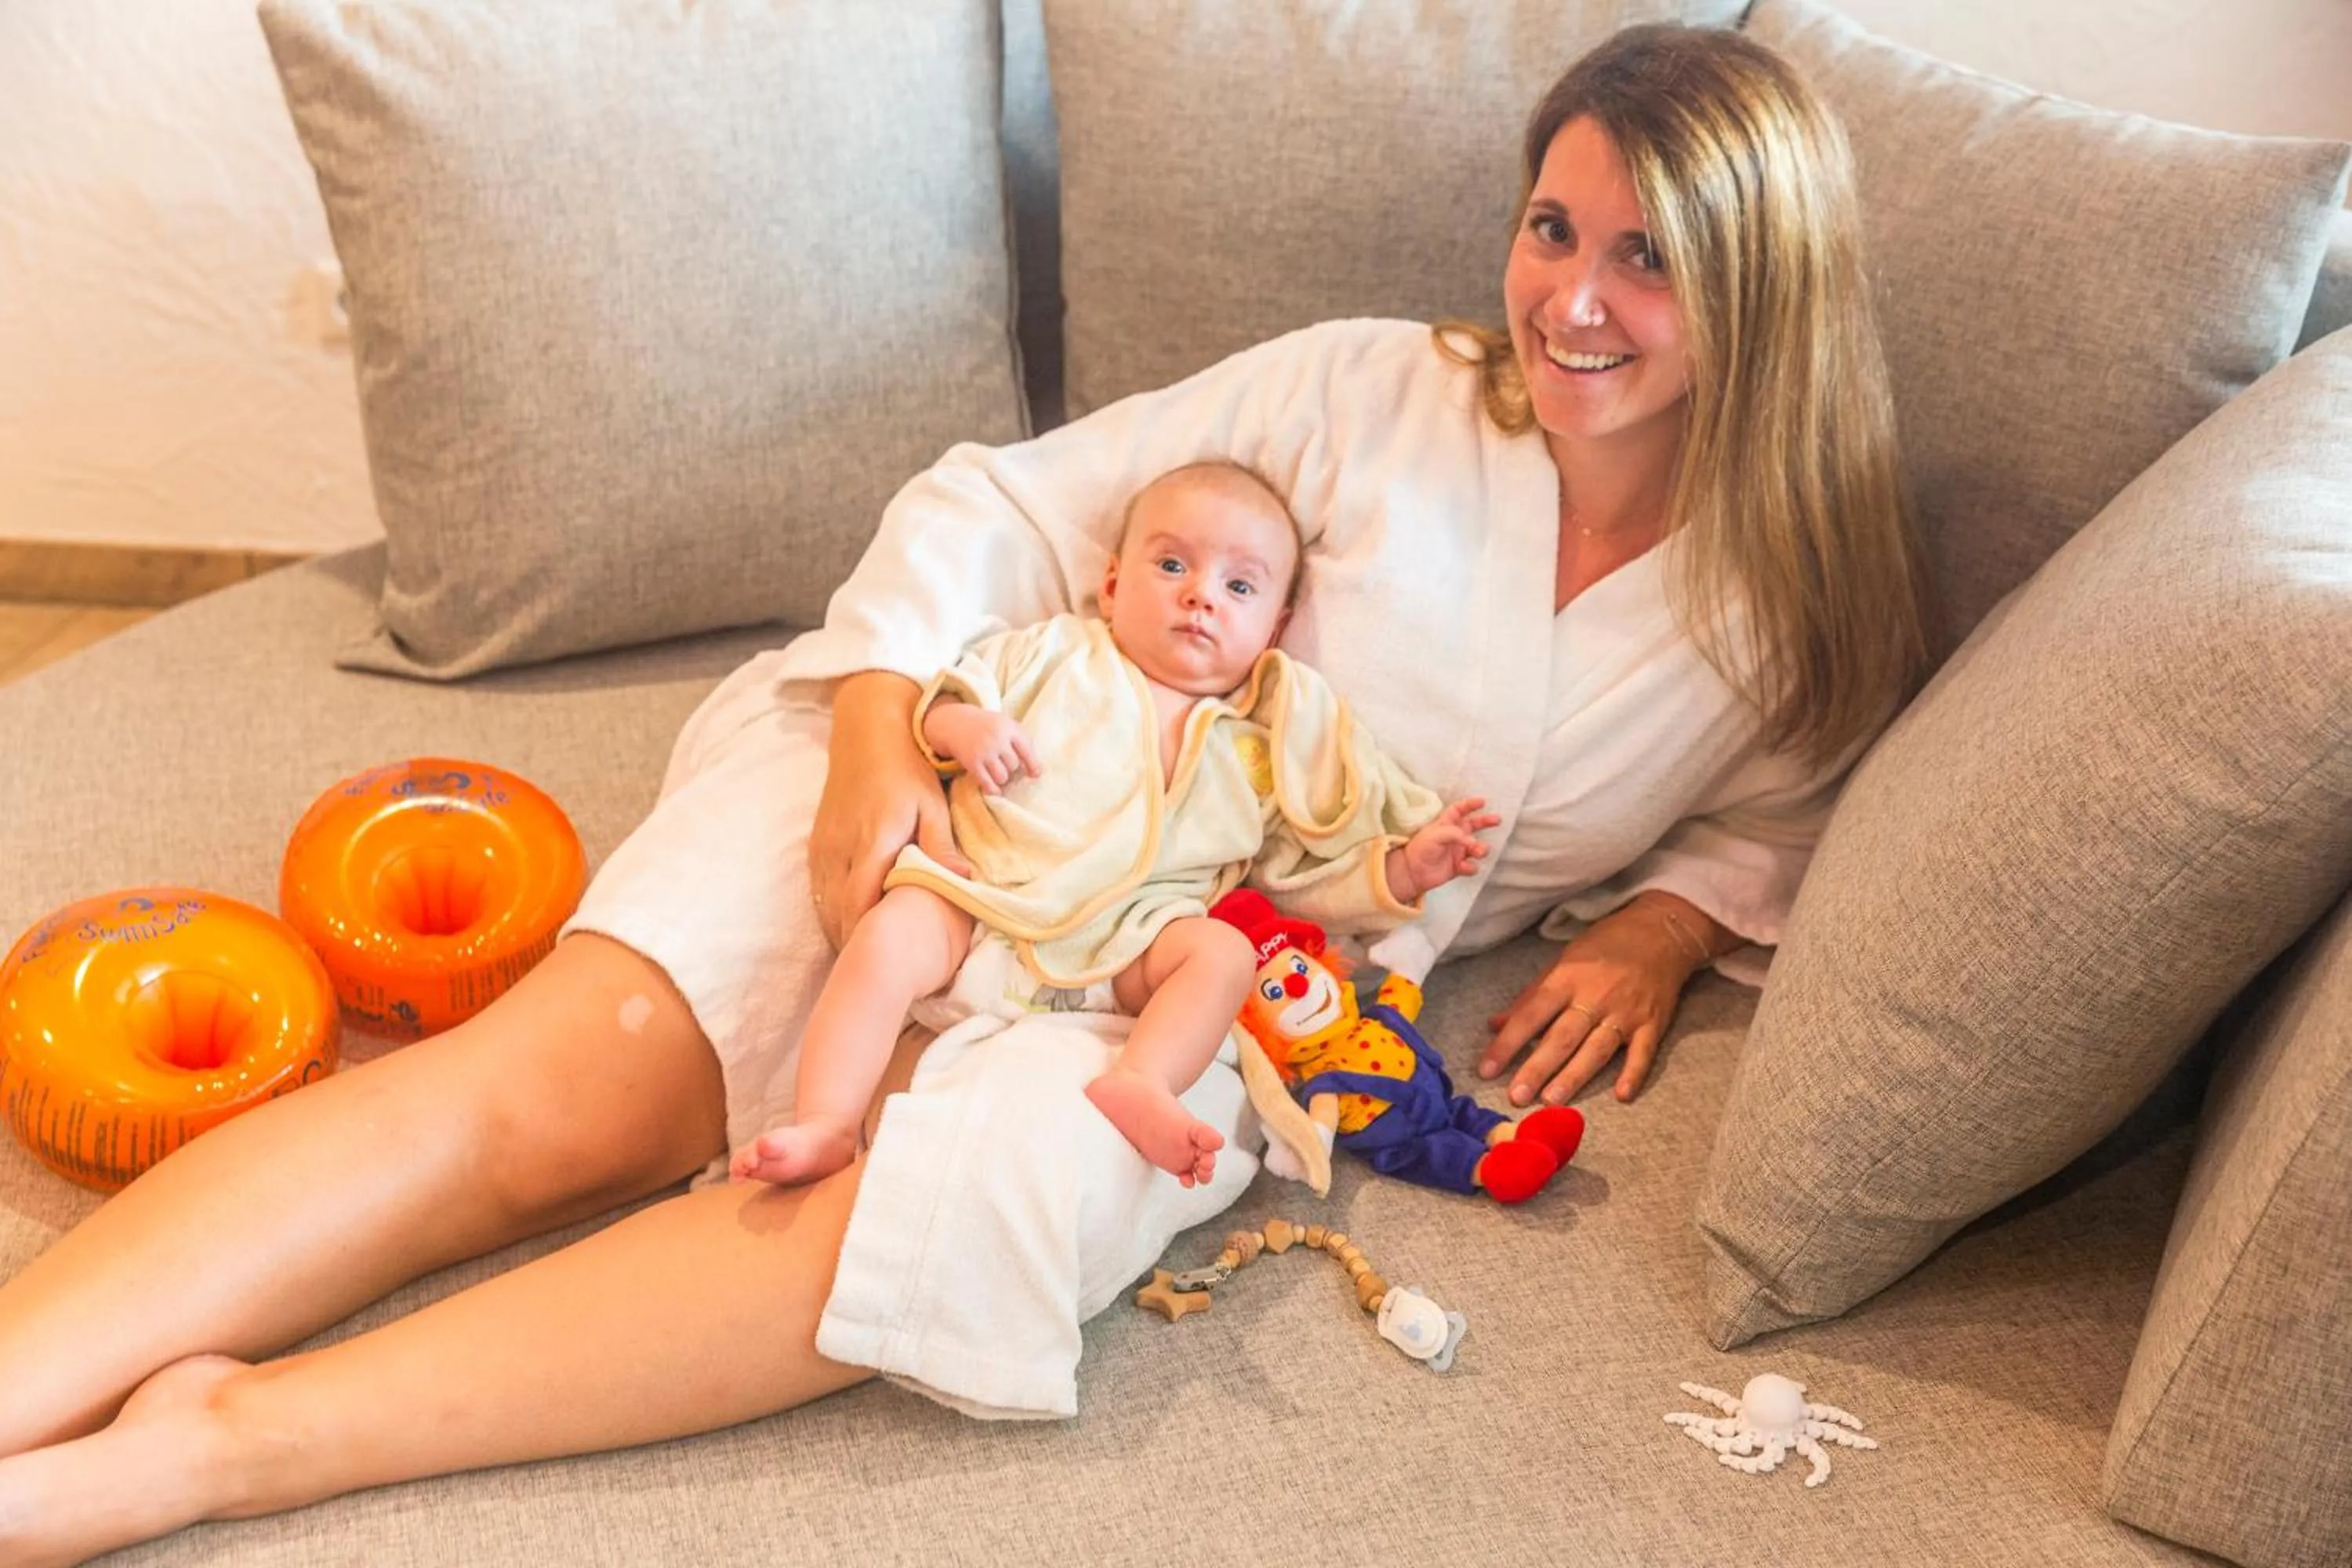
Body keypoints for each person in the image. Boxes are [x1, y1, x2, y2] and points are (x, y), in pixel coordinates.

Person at [0, 23, 1930, 1562]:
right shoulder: (1368, 392)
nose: (1567, 302)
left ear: (1761, 279)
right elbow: (1006, 503)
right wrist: (869, 743)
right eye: (1548, 229)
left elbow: (1780, 807)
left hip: (1201, 975)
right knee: (547, 1095)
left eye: (1642, 258)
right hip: (989, 770)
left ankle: (220, 1450)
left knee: (922, 1212)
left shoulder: (1790, 604)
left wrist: (1671, 924)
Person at [728, 460, 1498, 1191]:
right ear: (1111, 581)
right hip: (986, 908)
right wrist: (963, 727)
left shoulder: (1259, 745)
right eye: (1172, 567)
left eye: (1238, 585)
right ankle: (827, 1121)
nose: (1201, 596)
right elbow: (946, 693)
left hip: (1131, 951)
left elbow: (1300, 875)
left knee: (1223, 951)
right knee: (891, 932)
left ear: (1275, 626)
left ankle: (1143, 1077)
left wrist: (1403, 869)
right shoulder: (1057, 650)